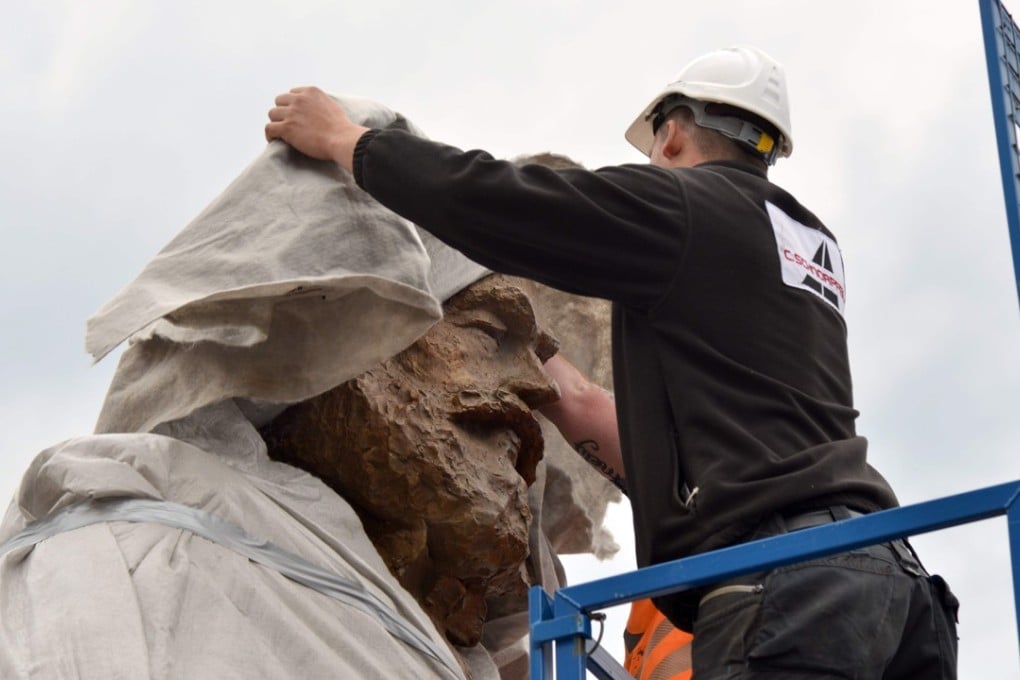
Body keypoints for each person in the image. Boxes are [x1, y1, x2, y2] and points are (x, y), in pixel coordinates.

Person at [265, 45, 959, 677]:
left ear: (675, 131)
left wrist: (349, 141)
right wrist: (534, 351)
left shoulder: (687, 207)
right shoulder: (809, 245)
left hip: (790, 586)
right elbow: (605, 412)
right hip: (897, 584)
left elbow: (505, 202)